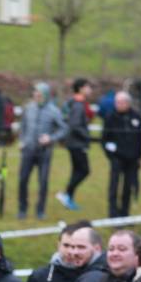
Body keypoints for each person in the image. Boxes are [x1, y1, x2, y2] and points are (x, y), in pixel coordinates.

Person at [17, 83, 66, 221]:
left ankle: (40, 210)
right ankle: (22, 209)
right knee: (23, 180)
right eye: (35, 93)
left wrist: (51, 138)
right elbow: (23, 126)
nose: (36, 96)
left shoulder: (54, 111)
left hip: (44, 152)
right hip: (28, 150)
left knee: (43, 182)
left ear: (45, 95)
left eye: (39, 94)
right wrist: (22, 141)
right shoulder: (28, 108)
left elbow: (63, 129)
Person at [101, 91, 141, 218]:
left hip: (132, 159)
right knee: (114, 186)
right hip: (117, 158)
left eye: (121, 102)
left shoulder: (136, 117)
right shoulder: (110, 117)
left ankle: (125, 213)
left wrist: (139, 156)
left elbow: (140, 138)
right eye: (117, 102)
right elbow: (104, 139)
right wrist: (111, 155)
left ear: (128, 103)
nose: (118, 105)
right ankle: (113, 214)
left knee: (128, 187)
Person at [57, 78, 93, 211]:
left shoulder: (76, 103)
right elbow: (75, 125)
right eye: (88, 87)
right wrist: (87, 136)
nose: (90, 90)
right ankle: (66, 194)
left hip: (73, 142)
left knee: (76, 170)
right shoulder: (78, 105)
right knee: (84, 170)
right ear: (81, 88)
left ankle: (69, 199)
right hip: (77, 143)